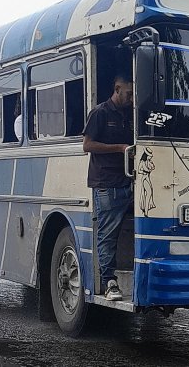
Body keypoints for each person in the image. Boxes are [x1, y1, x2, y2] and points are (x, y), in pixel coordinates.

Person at [82, 75, 134, 301]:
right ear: (117, 89)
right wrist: (119, 148)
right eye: (129, 94)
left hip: (130, 182)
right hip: (106, 184)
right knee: (108, 234)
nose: (132, 99)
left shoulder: (130, 114)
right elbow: (87, 145)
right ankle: (109, 281)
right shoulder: (100, 113)